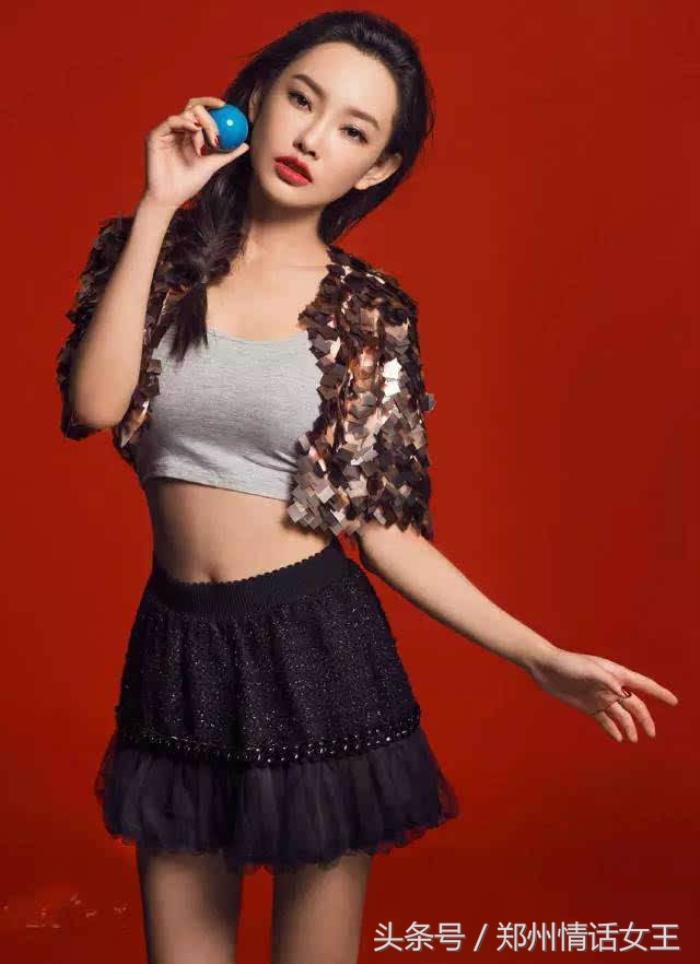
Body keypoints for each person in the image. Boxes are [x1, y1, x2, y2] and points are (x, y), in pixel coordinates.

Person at [56, 11, 679, 964]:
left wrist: (539, 657)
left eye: (352, 129)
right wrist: (155, 206)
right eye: (301, 100)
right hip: (176, 649)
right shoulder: (152, 258)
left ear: (376, 167)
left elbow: (386, 534)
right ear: (256, 100)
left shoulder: (367, 313)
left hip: (317, 652)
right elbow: (95, 404)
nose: (312, 138)